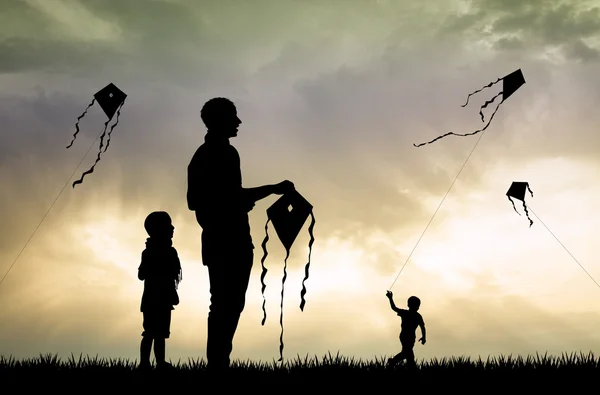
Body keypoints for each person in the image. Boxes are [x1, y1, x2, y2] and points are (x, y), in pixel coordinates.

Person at [187, 97, 295, 371]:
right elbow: (206, 199)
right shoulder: (216, 154)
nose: (238, 122)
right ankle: (218, 365)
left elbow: (205, 199)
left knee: (228, 303)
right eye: (233, 117)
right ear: (220, 121)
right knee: (227, 303)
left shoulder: (211, 154)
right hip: (227, 239)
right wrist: (270, 189)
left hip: (225, 237)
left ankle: (219, 363)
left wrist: (236, 200)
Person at [137, 211, 182, 370]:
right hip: (154, 298)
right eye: (169, 225)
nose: (173, 228)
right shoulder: (162, 252)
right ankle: (146, 363)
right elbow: (142, 274)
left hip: (159, 298)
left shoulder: (152, 251)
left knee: (159, 333)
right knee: (151, 332)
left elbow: (141, 275)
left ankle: (158, 363)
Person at [386, 290, 426, 368]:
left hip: (411, 337)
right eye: (415, 305)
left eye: (418, 305)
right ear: (409, 305)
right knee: (408, 353)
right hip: (404, 336)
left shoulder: (417, 316)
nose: (417, 307)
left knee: (407, 353)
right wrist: (390, 298)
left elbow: (422, 327)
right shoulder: (406, 313)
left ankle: (395, 362)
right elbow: (394, 308)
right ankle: (395, 362)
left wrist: (424, 337)